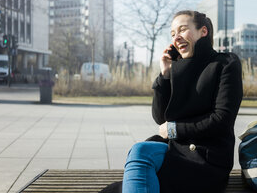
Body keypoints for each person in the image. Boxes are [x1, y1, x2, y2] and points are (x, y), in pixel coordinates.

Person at [100, 10, 243, 193]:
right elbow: (161, 118)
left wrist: (175, 128)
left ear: (203, 31)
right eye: (173, 34)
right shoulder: (177, 67)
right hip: (175, 152)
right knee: (139, 150)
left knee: (128, 177)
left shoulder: (225, 64)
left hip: (205, 160)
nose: (177, 38)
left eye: (183, 30)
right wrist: (165, 75)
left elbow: (222, 119)